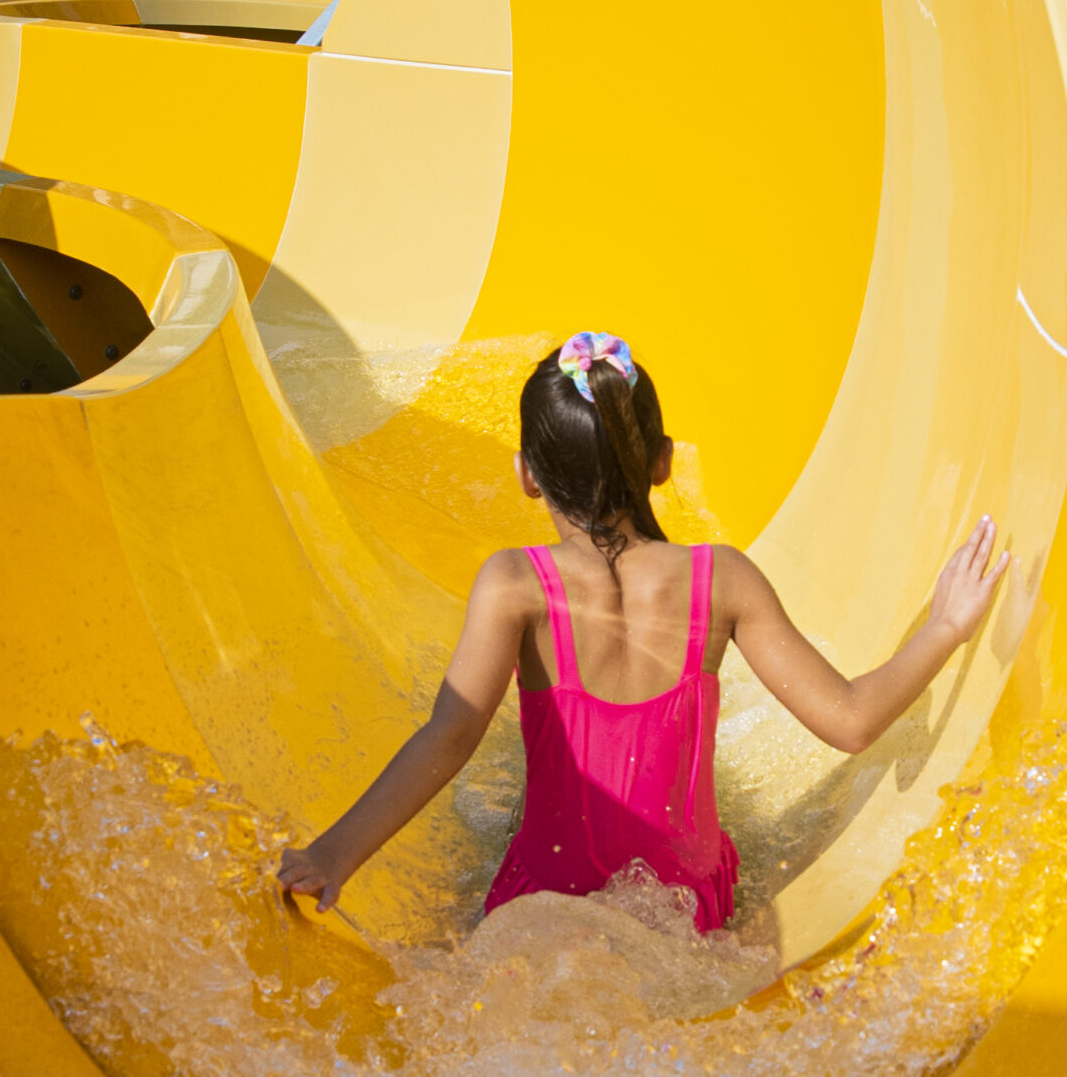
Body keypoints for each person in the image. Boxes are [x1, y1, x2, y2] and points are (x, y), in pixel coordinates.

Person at [278, 332, 1009, 934]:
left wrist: (333, 856)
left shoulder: (513, 584)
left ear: (527, 475)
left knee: (499, 827)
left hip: (543, 900)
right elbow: (850, 722)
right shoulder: (722, 579)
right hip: (688, 905)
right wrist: (944, 624)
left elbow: (449, 735)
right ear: (660, 463)